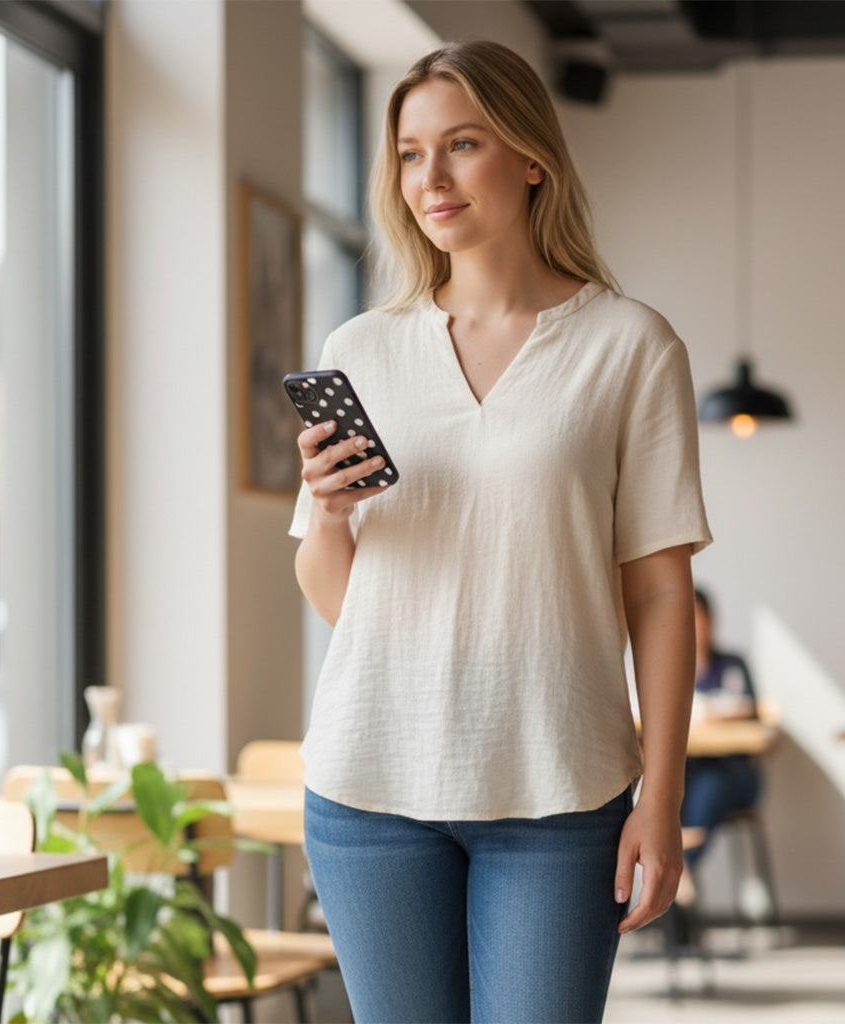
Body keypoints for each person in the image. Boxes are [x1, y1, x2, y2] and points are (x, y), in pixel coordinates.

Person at [289, 40, 711, 1023]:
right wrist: (334, 513)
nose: (429, 178)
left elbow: (657, 591)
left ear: (530, 157)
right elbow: (339, 597)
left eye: (461, 144)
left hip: (559, 790)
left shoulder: (629, 346)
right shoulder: (358, 350)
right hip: (368, 786)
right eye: (407, 152)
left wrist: (662, 796)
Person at [675, 588, 761, 907]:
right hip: (690, 772)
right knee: (674, 784)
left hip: (734, 774)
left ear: (712, 621)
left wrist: (710, 711)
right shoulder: (673, 671)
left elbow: (749, 709)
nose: (693, 626)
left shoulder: (732, 665)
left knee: (708, 784)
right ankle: (677, 873)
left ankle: (679, 868)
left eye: (698, 617)